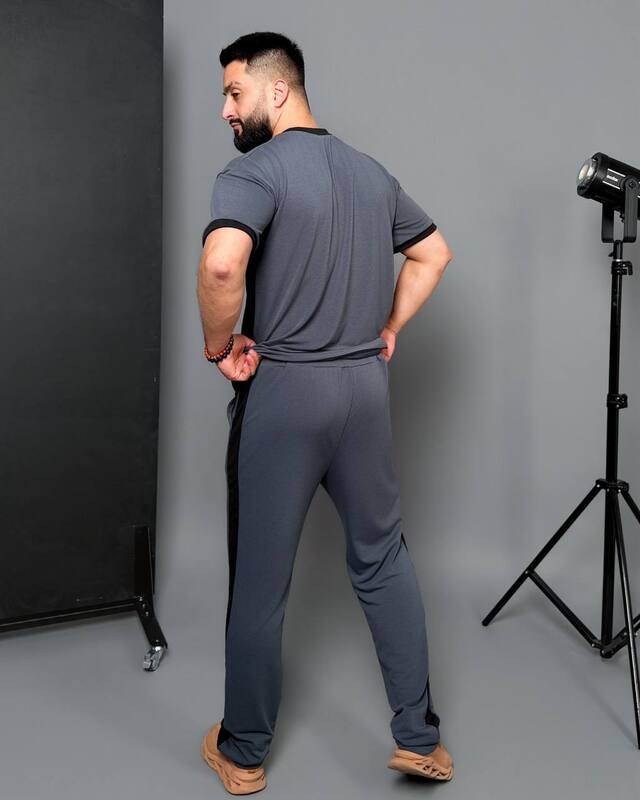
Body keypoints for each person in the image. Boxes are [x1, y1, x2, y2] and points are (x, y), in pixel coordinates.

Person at [196, 31, 454, 794]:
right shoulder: (371, 174)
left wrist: (219, 348)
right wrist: (388, 328)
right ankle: (421, 741)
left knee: (261, 580)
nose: (225, 110)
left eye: (234, 93)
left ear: (277, 90)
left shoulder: (256, 172)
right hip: (363, 391)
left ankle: (243, 753)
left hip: (288, 392)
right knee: (384, 560)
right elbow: (434, 252)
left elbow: (221, 264)